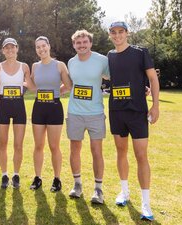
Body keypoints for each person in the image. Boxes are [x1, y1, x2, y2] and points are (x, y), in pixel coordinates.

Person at [107, 21, 159, 221]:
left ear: (127, 33)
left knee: (141, 155)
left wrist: (155, 105)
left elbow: (153, 79)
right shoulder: (110, 56)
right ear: (110, 35)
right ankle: (124, 192)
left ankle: (146, 204)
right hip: (116, 112)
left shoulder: (140, 53)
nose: (117, 35)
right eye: (114, 32)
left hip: (137, 112)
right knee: (121, 152)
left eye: (121, 32)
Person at [66, 30, 109, 204]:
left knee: (96, 151)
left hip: (95, 113)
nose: (82, 45)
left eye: (85, 42)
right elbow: (70, 84)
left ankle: (98, 190)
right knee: (74, 149)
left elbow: (116, 76)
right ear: (74, 45)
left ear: (90, 43)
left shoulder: (102, 60)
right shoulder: (71, 62)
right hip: (75, 112)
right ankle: (77, 185)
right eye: (78, 43)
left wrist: (141, 86)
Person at [29, 36, 72, 192]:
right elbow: (33, 86)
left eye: (43, 46)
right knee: (38, 145)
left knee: (54, 146)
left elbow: (68, 86)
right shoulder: (34, 66)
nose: (41, 49)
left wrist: (55, 94)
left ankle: (57, 179)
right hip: (38, 108)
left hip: (54, 108)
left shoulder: (59, 65)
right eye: (38, 47)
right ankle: (38, 177)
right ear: (36, 49)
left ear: (49, 46)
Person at [0, 38, 34, 189]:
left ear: (17, 49)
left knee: (18, 144)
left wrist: (23, 86)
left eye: (12, 47)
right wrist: (1, 96)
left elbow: (30, 85)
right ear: (3, 50)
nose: (10, 50)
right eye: (6, 48)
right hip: (3, 107)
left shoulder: (24, 67)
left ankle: (16, 174)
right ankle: (4, 175)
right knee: (2, 143)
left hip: (19, 108)